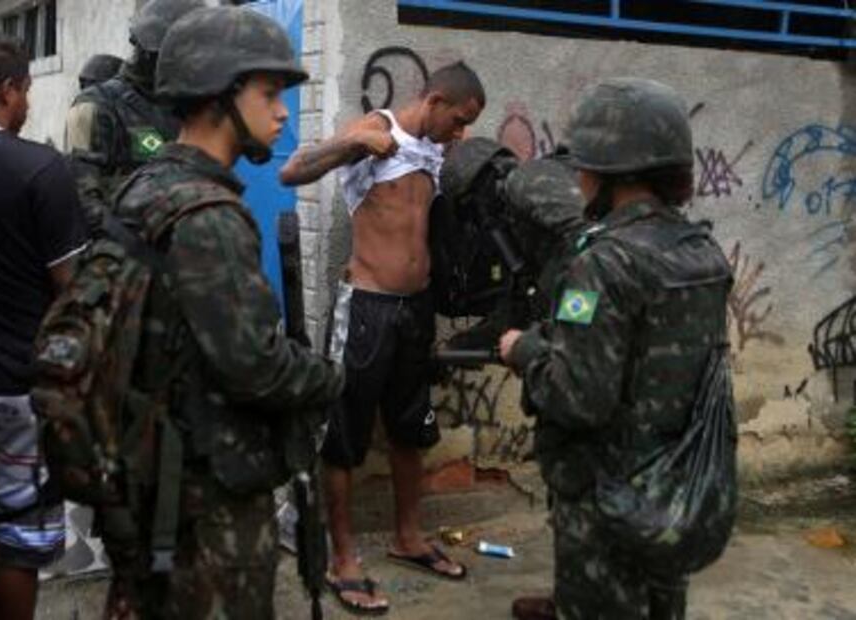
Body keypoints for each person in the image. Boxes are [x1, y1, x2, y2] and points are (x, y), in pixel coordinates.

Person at [110, 7, 344, 618]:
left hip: (152, 474)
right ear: (219, 95)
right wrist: (326, 377)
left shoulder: (143, 186)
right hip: (206, 496)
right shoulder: (208, 215)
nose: (283, 112)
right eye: (269, 94)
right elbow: (254, 366)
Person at [499, 78, 734, 620]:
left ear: (611, 175)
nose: (578, 182)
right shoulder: (702, 252)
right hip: (672, 488)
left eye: (583, 170)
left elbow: (579, 397)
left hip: (606, 502)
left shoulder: (602, 265)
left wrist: (525, 351)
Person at [280, 61, 485, 614]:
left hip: (416, 310)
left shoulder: (436, 150)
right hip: (367, 308)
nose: (461, 132)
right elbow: (292, 171)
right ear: (435, 101)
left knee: (409, 429)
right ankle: (342, 557)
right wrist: (356, 143)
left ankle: (408, 538)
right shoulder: (376, 130)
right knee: (344, 433)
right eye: (459, 120)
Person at [0, 28, 88, 620]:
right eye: (26, 91)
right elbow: (73, 290)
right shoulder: (40, 169)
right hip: (17, 388)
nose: (27, 103)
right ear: (7, 91)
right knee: (17, 537)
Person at [65, 0, 203, 234]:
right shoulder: (94, 105)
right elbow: (81, 200)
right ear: (149, 54)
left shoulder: (187, 106)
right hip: (123, 248)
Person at [436, 137, 588, 349]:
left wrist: (571, 323)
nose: (478, 218)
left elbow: (588, 241)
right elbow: (517, 306)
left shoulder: (523, 180)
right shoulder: (517, 223)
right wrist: (464, 344)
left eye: (470, 206)